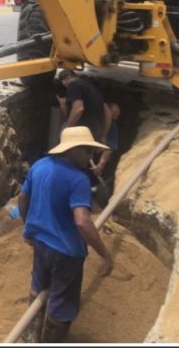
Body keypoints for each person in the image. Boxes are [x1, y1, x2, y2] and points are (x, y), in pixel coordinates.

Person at [19, 126, 114, 343]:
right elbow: (82, 222)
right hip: (66, 252)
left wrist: (29, 229)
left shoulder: (40, 166)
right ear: (73, 150)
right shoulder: (78, 179)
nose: (90, 157)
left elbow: (22, 198)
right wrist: (105, 254)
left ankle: (30, 336)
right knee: (62, 304)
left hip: (40, 243)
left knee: (38, 286)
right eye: (87, 151)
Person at [57, 69, 110, 143]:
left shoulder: (73, 85)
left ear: (66, 78)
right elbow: (108, 113)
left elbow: (78, 108)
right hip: (95, 135)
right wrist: (103, 136)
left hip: (80, 133)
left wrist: (67, 128)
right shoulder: (94, 89)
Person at [93, 102, 121, 177]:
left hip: (95, 159)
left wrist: (100, 165)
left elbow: (110, 148)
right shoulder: (93, 119)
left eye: (116, 114)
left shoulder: (112, 128)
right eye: (113, 113)